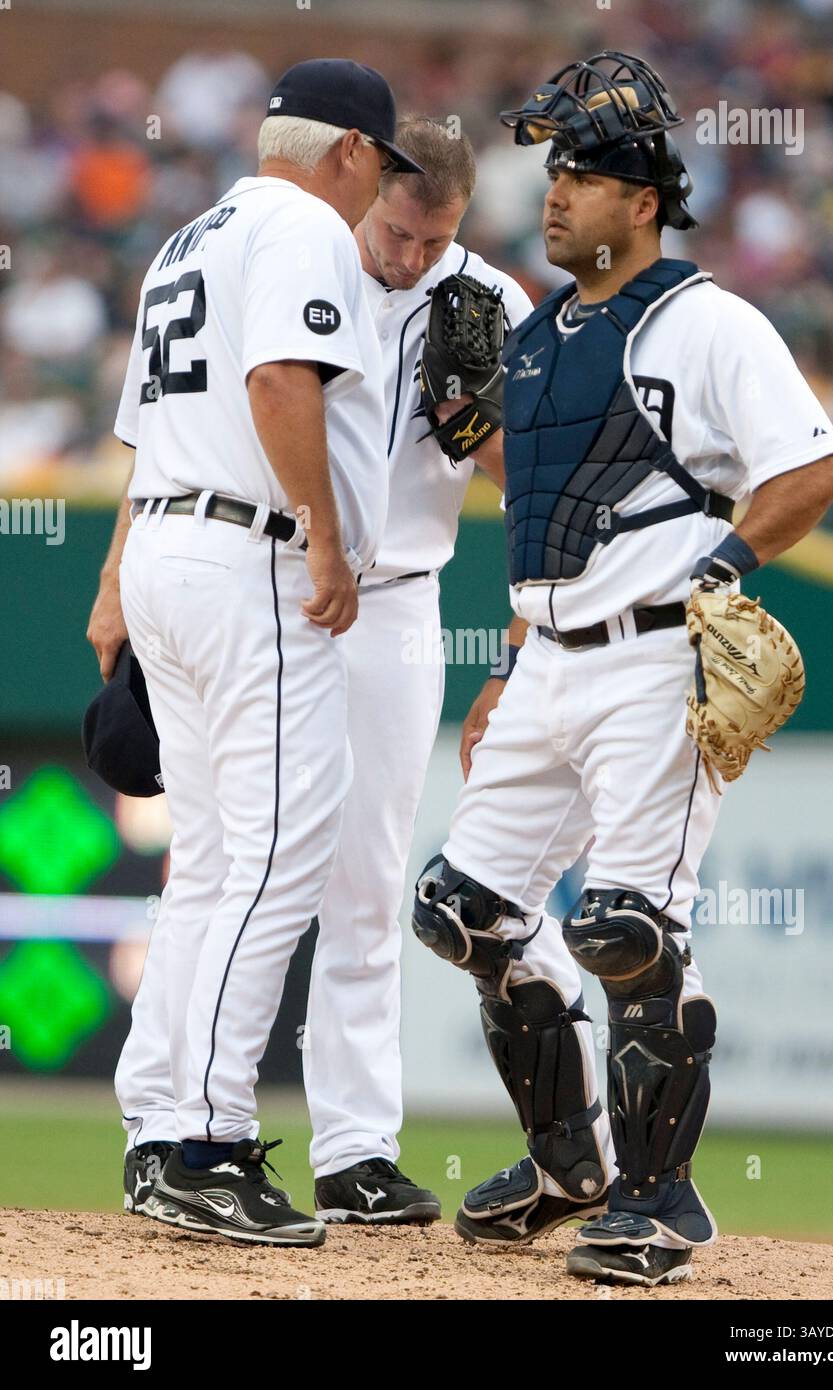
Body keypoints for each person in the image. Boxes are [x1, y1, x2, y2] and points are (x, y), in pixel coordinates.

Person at [410, 51, 833, 1286]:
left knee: (625, 930)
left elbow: (810, 466)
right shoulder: (544, 332)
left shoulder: (705, 319)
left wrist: (725, 558)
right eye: (552, 173)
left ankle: (664, 1203)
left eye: (585, 176)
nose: (555, 195)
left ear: (643, 201)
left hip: (658, 657)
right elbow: (554, 509)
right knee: (466, 910)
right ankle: (571, 1168)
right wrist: (506, 663)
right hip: (550, 659)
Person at [87, 116, 533, 1226]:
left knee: (366, 878)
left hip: (388, 601)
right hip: (265, 575)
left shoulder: (487, 303)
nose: (411, 255)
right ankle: (170, 1120)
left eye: (436, 239)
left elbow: (529, 477)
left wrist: (483, 428)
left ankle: (354, 1149)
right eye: (400, 227)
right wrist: (113, 572)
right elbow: (168, 424)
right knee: (226, 858)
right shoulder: (299, 243)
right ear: (370, 182)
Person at [96, 57, 422, 1247]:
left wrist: (111, 582)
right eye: (378, 164)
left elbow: (142, 433)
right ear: (345, 149)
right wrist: (326, 541)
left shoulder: (189, 236)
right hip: (251, 560)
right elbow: (280, 379)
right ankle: (209, 1139)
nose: (376, 188)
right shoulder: (298, 226)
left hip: (168, 549)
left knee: (218, 854)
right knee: (279, 854)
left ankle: (152, 1126)